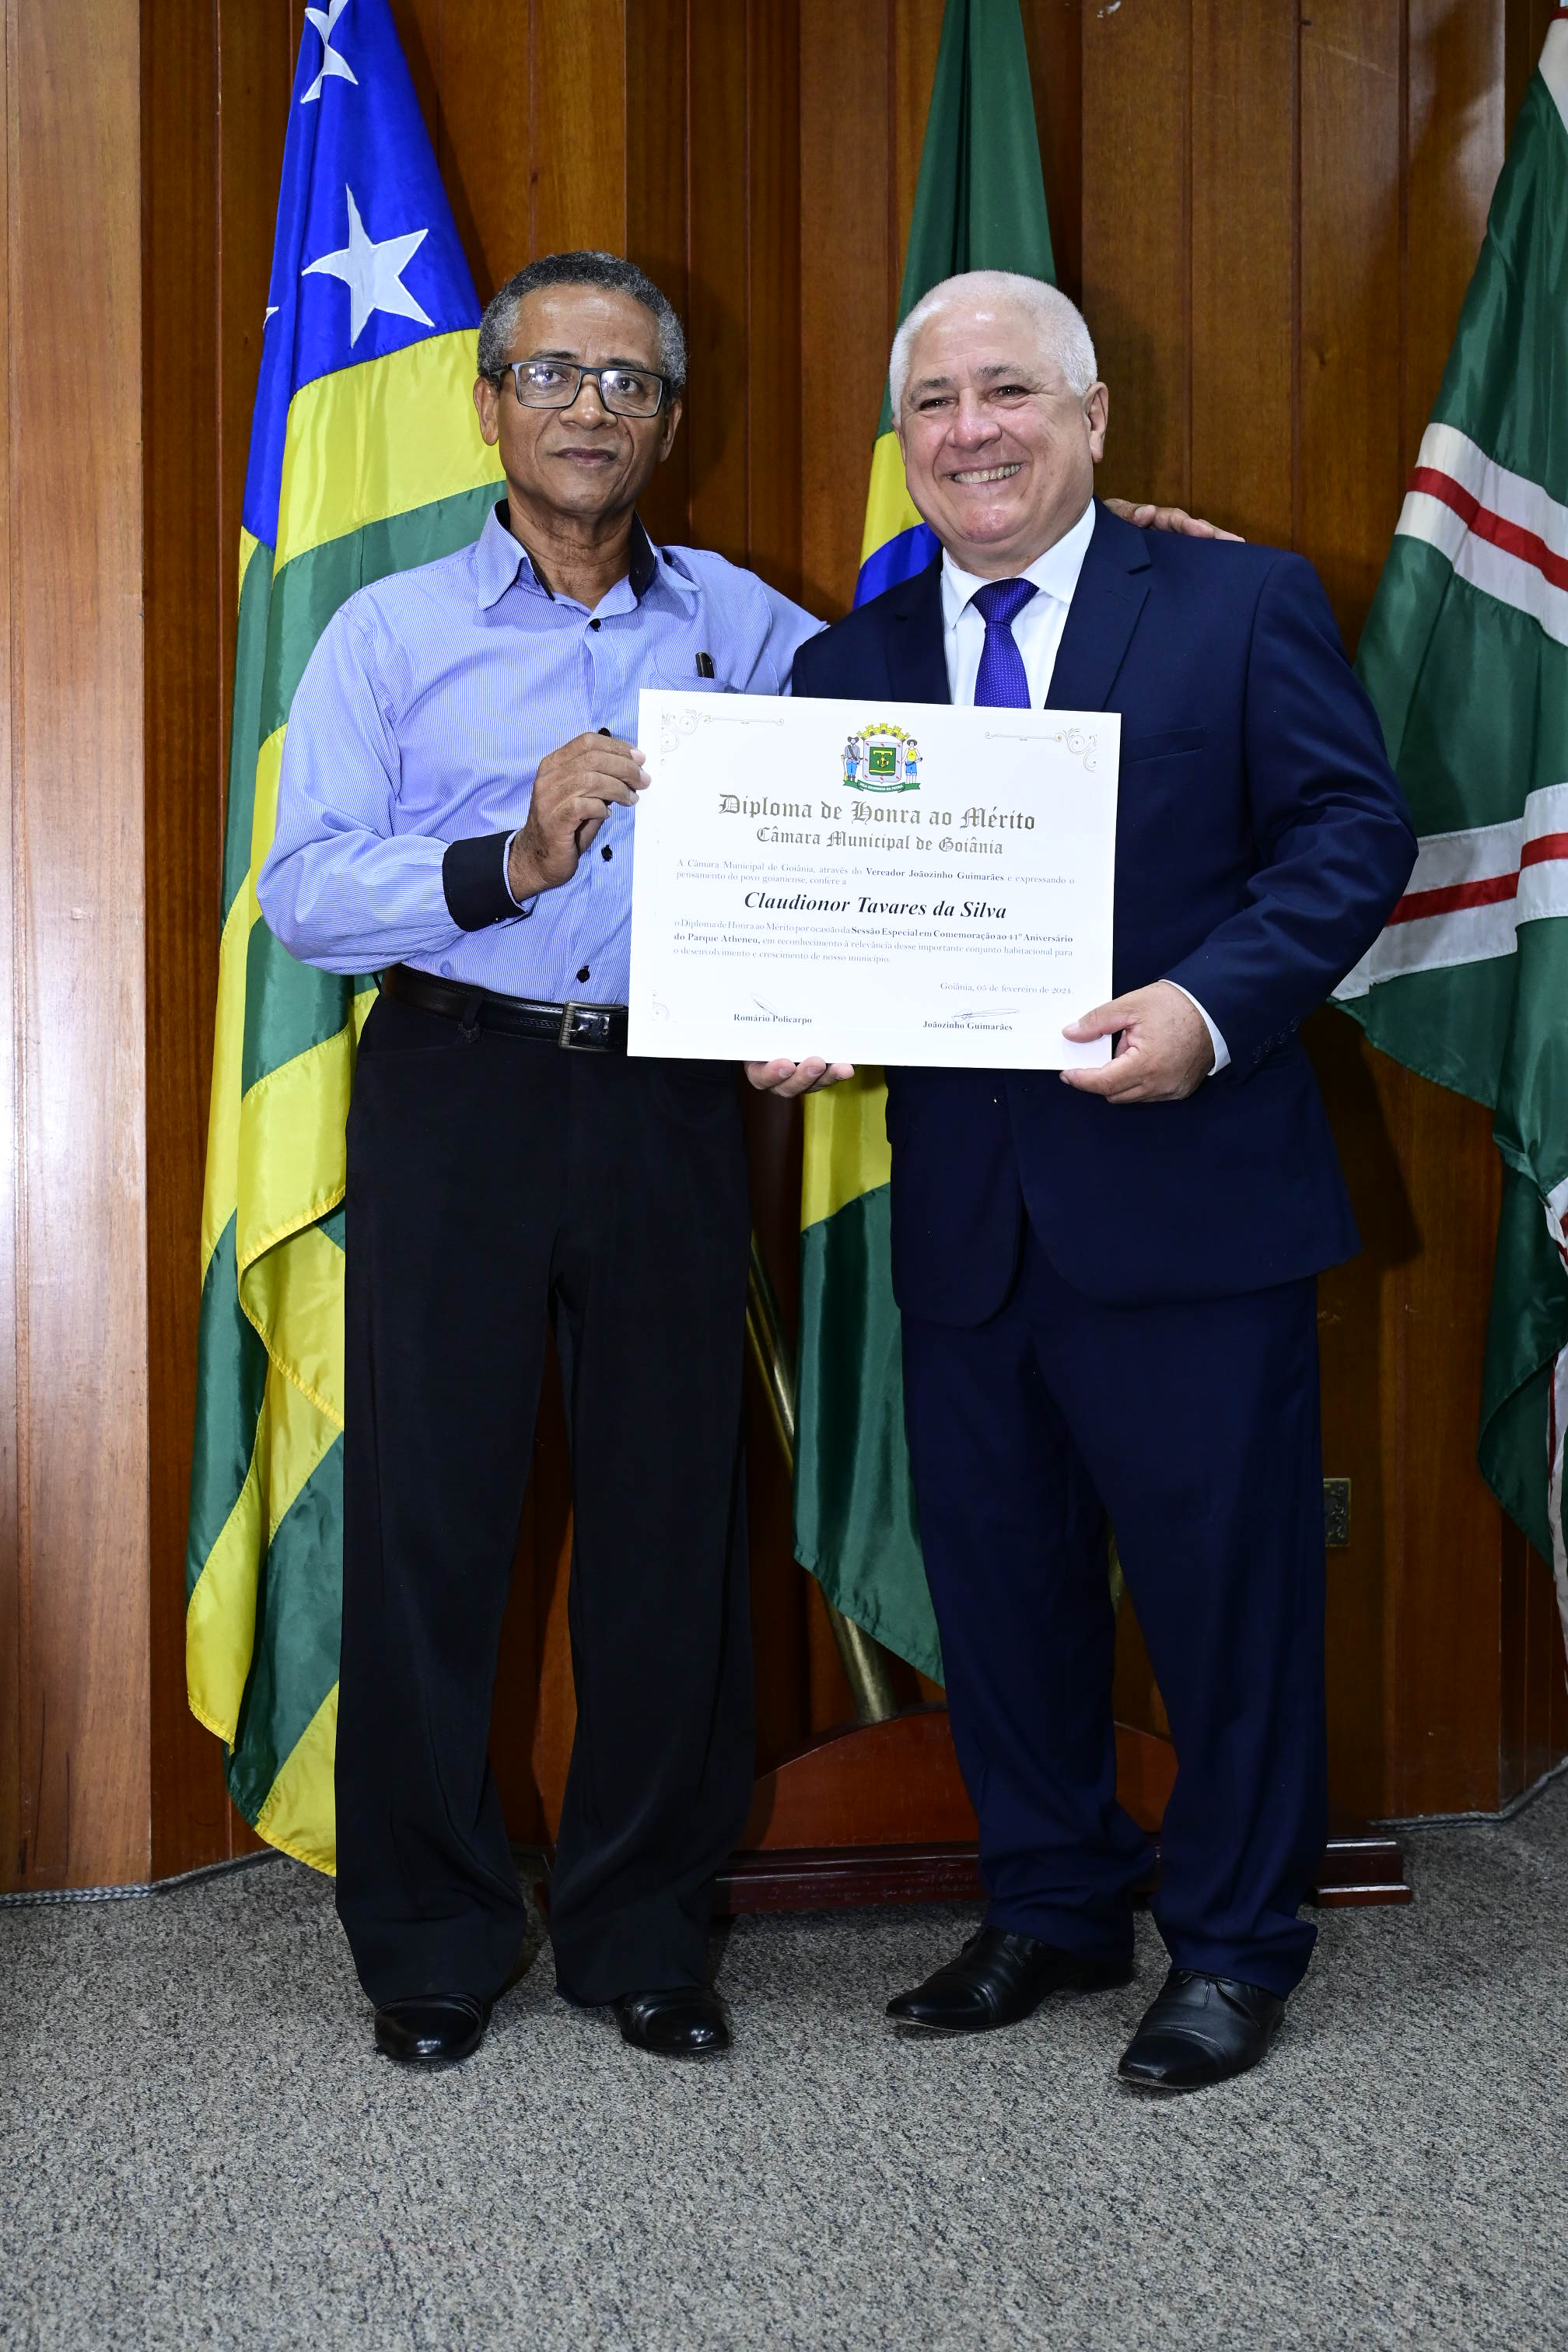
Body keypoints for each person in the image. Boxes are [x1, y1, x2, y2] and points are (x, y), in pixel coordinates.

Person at [260, 247, 1217, 2072]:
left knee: (669, 1525)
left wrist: (1128, 541)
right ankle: (431, 1941)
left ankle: (643, 1932)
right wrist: (509, 860)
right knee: (432, 1526)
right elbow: (304, 892)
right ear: (490, 400)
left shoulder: (757, 632)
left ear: (670, 418)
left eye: (628, 382)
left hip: (671, 1108)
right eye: (555, 375)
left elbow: (942, 708)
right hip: (458, 1088)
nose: (590, 409)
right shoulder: (385, 631)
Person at [758, 271, 1416, 2091]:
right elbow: (839, 918)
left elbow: (1350, 832)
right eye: (934, 404)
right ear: (904, 442)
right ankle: (1051, 1905)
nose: (970, 431)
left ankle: (1237, 1942)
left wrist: (1210, 1007)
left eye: (1009, 392)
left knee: (1228, 1599)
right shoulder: (846, 669)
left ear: (1093, 415)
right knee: (1004, 1596)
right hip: (968, 1225)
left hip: (1195, 1199)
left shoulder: (1237, 600)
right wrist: (801, 1010)